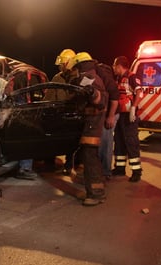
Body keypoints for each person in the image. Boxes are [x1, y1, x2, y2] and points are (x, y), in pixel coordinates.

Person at [66, 52, 108, 206]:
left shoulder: (89, 78)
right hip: (90, 123)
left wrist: (92, 93)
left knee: (90, 158)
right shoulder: (87, 77)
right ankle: (95, 191)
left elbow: (101, 100)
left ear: (79, 66)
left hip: (92, 124)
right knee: (90, 158)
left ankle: (96, 194)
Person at [43, 49, 79, 174]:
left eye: (62, 63)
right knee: (51, 139)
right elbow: (49, 96)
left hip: (72, 114)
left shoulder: (78, 77)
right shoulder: (57, 78)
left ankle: (69, 165)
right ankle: (49, 162)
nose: (60, 66)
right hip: (57, 113)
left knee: (71, 142)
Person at [111, 56, 143, 182]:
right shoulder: (118, 78)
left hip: (129, 114)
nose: (113, 68)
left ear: (119, 66)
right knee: (119, 141)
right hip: (120, 114)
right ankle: (120, 168)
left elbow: (139, 93)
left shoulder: (132, 77)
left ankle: (136, 171)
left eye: (114, 66)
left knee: (131, 142)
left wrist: (134, 108)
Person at [95, 61, 119, 181]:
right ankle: (100, 169)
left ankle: (105, 171)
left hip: (110, 112)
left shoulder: (105, 78)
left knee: (106, 141)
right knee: (100, 141)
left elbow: (115, 99)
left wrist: (110, 117)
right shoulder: (93, 75)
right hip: (102, 113)